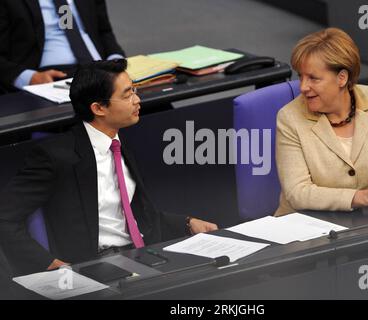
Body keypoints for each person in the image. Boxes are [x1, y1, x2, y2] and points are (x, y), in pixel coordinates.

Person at [0, 59, 218, 276]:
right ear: (98, 108)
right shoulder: (56, 157)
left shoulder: (120, 145)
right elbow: (5, 217)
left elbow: (138, 217)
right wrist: (48, 264)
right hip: (96, 267)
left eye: (134, 90)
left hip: (142, 256)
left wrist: (188, 223)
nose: (137, 100)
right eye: (127, 95)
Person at [274, 28, 368, 216]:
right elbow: (297, 193)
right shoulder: (289, 117)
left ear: (342, 78)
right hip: (308, 230)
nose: (303, 87)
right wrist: (361, 197)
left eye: (313, 78)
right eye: (301, 76)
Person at [0, 0, 125, 92]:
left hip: (101, 67)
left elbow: (104, 31)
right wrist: (30, 78)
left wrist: (116, 60)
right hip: (52, 75)